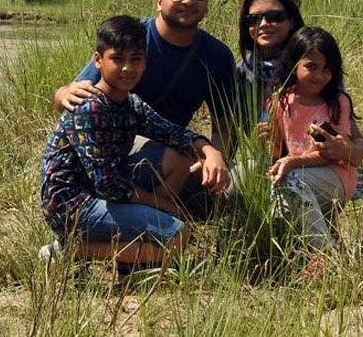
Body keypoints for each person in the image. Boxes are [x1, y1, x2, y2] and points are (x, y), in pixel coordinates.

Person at [39, 15, 228, 268]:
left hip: (101, 190)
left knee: (178, 158)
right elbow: (107, 185)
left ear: (145, 63)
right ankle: (72, 249)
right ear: (98, 60)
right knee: (177, 236)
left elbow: (172, 133)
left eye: (135, 59)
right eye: (117, 59)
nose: (127, 68)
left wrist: (210, 150)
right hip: (71, 204)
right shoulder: (90, 108)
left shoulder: (130, 102)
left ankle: (136, 242)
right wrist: (164, 205)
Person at [52, 0, 238, 211]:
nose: (188, 0)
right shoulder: (133, 39)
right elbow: (73, 94)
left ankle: (151, 219)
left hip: (173, 144)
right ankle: (145, 219)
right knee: (167, 169)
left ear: (206, 2)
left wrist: (214, 158)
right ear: (159, 0)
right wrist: (62, 93)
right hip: (118, 145)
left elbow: (224, 125)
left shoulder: (217, 55)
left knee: (214, 202)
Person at [264, 26, 363, 251]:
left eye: (327, 69)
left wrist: (292, 162)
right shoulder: (280, 101)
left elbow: (330, 154)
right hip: (300, 176)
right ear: (293, 65)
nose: (320, 76)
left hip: (336, 175)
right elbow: (276, 149)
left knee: (289, 182)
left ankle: (325, 254)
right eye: (311, 67)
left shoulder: (337, 102)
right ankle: (300, 251)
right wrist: (265, 141)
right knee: (276, 203)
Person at [235, 0, 306, 126]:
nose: (263, 24)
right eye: (253, 19)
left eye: (274, 16)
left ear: (291, 21)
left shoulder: (311, 64)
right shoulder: (242, 72)